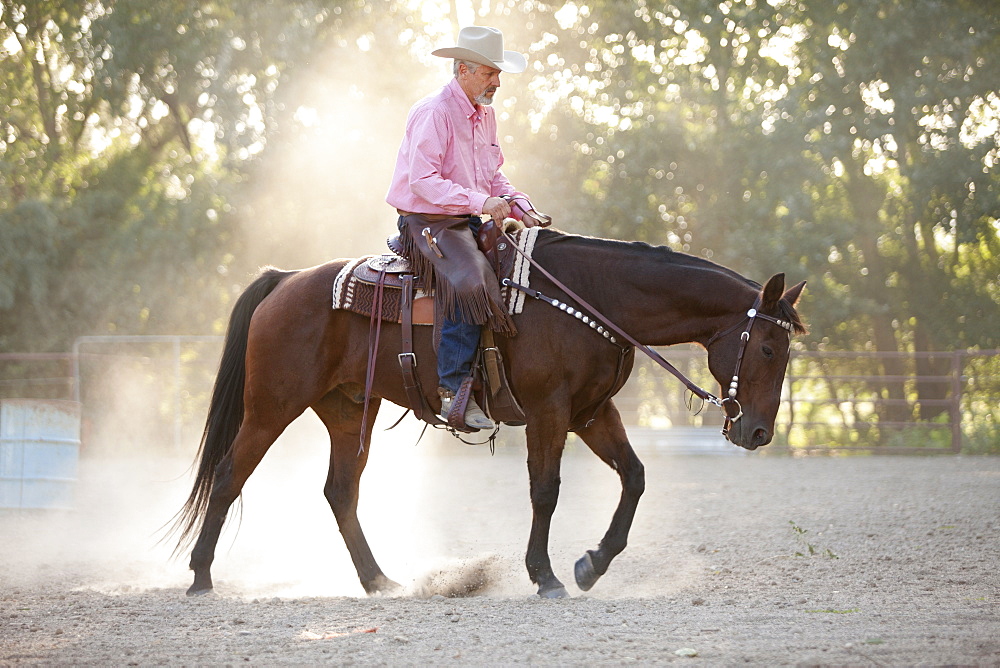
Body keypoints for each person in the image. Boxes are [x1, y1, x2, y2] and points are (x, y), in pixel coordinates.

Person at [386, 26, 549, 431]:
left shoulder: (485, 115)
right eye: (490, 73)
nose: (497, 82)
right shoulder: (434, 112)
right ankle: (452, 390)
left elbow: (493, 176)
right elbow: (422, 181)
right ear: (463, 70)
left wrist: (520, 204)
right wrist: (482, 203)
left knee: (528, 265)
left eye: (498, 74)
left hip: (464, 219)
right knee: (471, 280)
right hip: (427, 222)